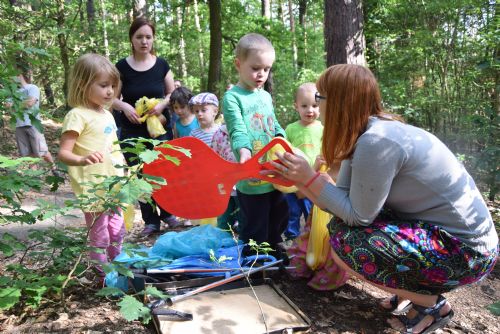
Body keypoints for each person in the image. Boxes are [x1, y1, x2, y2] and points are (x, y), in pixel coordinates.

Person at [270, 64, 498, 334]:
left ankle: (431, 304)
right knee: (346, 228)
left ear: (339, 102)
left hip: (468, 252)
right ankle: (411, 296)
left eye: (320, 98)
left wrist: (307, 178)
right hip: (452, 239)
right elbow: (339, 202)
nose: (317, 106)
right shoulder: (368, 134)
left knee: (346, 243)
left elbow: (357, 216)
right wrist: (300, 180)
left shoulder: (375, 142)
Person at [57, 53, 126, 282]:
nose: (110, 91)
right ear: (82, 84)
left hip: (114, 184)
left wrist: (124, 168)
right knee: (100, 234)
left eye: (113, 86)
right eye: (104, 85)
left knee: (118, 229)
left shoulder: (107, 114)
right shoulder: (77, 115)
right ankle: (103, 274)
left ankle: (119, 266)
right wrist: (82, 158)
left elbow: (113, 147)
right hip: (93, 187)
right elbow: (64, 153)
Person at [112, 17, 181, 236]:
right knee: (140, 174)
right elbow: (111, 97)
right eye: (139, 37)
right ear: (131, 39)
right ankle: (151, 220)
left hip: (159, 128)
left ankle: (169, 214)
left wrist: (162, 104)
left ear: (153, 39)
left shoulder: (161, 65)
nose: (144, 41)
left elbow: (172, 94)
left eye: (148, 37)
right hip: (132, 131)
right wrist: (124, 106)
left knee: (162, 171)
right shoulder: (122, 67)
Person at [223, 33, 289, 257]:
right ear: (238, 64)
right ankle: (254, 260)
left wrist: (283, 139)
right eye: (255, 68)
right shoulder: (233, 98)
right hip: (251, 173)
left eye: (267, 69)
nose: (261, 74)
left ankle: (274, 248)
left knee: (279, 213)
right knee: (255, 220)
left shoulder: (265, 96)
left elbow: (273, 124)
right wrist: (245, 155)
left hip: (273, 171)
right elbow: (237, 129)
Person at [282, 82, 323, 240]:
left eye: (314, 105)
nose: (310, 110)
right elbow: (284, 150)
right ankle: (292, 238)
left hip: (314, 179)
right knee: (291, 211)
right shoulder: (291, 129)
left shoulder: (322, 129)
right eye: (304, 106)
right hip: (293, 179)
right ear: (296, 106)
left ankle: (312, 238)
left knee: (311, 211)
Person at [8, 70, 60, 176]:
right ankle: (34, 176)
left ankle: (54, 169)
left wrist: (15, 104)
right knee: (27, 154)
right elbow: (7, 106)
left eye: (12, 76)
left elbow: (31, 103)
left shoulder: (32, 88)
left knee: (42, 151)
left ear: (20, 75)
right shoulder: (12, 92)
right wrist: (21, 104)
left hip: (33, 124)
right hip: (19, 125)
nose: (10, 79)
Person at [211, 123, 243, 232]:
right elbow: (214, 155)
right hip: (225, 180)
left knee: (243, 212)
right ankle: (223, 234)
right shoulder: (219, 134)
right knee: (224, 214)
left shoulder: (246, 129)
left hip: (243, 181)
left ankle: (244, 236)